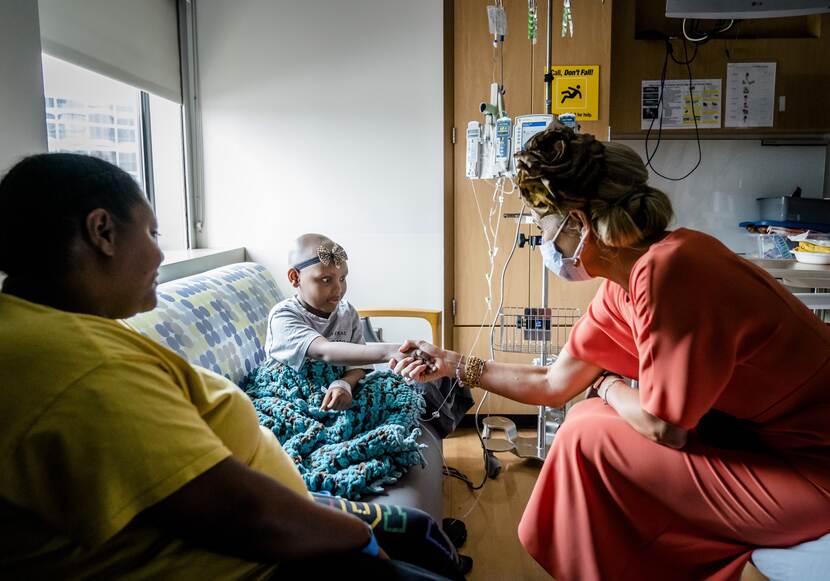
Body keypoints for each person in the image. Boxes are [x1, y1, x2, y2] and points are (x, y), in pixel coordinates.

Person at [392, 125, 830, 580]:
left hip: (810, 467)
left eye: (544, 229)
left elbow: (665, 428)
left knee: (589, 437)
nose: (544, 244)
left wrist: (607, 384)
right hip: (753, 441)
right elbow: (553, 384)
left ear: (578, 224)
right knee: (586, 420)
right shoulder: (624, 286)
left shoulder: (672, 268)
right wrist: (455, 363)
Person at [0, 153, 453, 580]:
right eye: (153, 234)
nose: (159, 255)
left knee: (420, 532)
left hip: (271, 507)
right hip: (259, 560)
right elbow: (241, 513)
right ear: (102, 231)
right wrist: (359, 538)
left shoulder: (50, 327)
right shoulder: (85, 370)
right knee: (416, 551)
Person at [264, 233, 412, 410]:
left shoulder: (347, 312)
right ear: (295, 278)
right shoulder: (283, 316)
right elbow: (323, 351)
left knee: (402, 395)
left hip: (334, 390)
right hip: (292, 396)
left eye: (342, 278)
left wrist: (344, 384)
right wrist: (392, 351)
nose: (339, 289)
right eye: (326, 280)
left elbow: (357, 367)